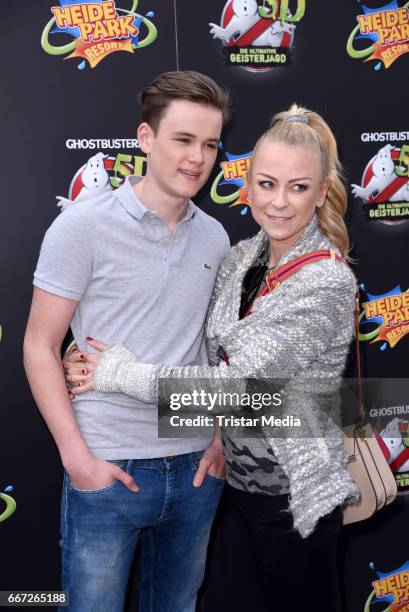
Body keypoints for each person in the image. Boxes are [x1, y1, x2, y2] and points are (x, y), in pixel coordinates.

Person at [65, 104, 360, 612]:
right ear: (247, 186)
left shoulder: (326, 281)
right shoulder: (243, 256)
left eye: (298, 187)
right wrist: (83, 343)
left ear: (321, 193)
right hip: (235, 488)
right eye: (267, 184)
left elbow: (231, 388)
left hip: (297, 498)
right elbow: (203, 343)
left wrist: (115, 372)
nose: (280, 203)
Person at [23, 70, 231, 612]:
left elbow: (211, 346)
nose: (197, 158)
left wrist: (217, 438)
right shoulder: (80, 227)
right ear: (146, 139)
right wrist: (78, 458)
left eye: (210, 144)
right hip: (107, 464)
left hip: (195, 470)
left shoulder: (215, 235)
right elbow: (39, 346)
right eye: (183, 140)